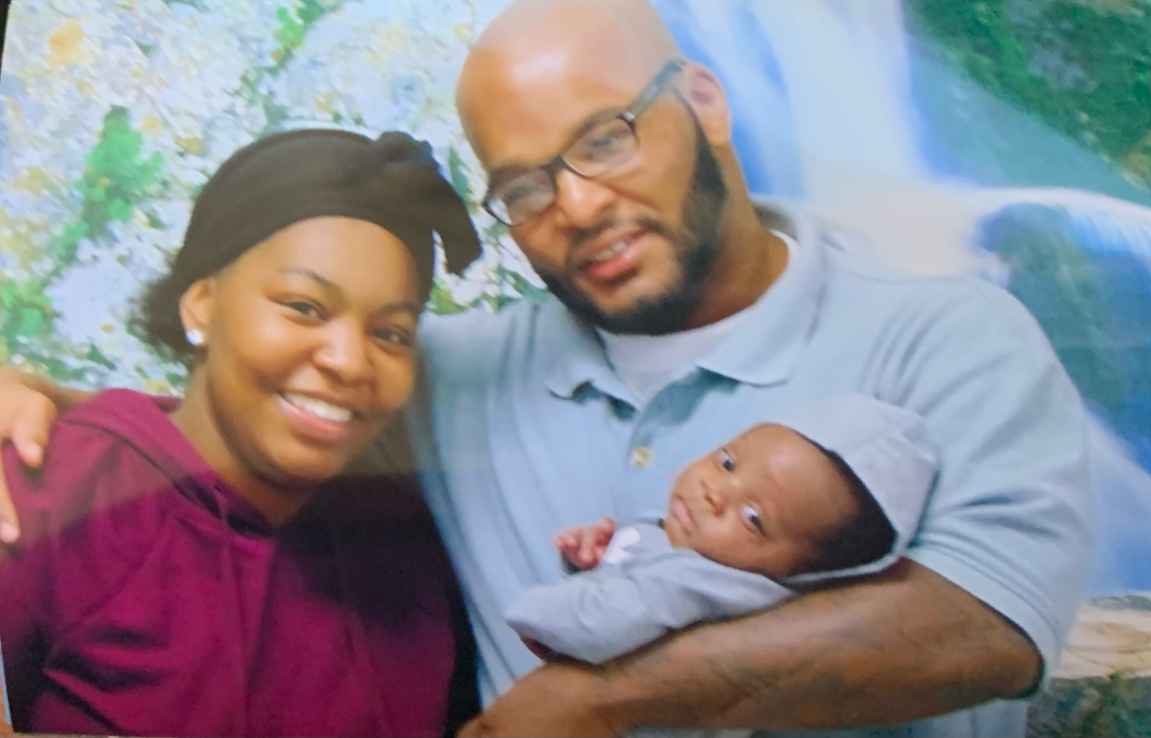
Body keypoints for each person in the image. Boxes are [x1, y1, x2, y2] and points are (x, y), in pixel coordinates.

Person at [0, 1, 1094, 736]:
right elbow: (263, 402)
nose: (573, 206)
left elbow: (978, 625)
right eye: (523, 188)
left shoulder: (949, 335)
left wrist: (583, 704)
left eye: (606, 138)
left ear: (703, 104)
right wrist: (40, 410)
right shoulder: (467, 374)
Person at [0, 129, 482, 737]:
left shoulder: (401, 545)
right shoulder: (48, 494)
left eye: (391, 333)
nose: (350, 361)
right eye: (304, 307)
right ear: (201, 303)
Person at [506, 395, 936, 665]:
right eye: (728, 462)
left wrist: (533, 610)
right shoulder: (688, 546)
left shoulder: (704, 584)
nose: (715, 493)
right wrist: (592, 559)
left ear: (799, 574)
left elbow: (599, 625)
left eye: (753, 518)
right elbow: (632, 573)